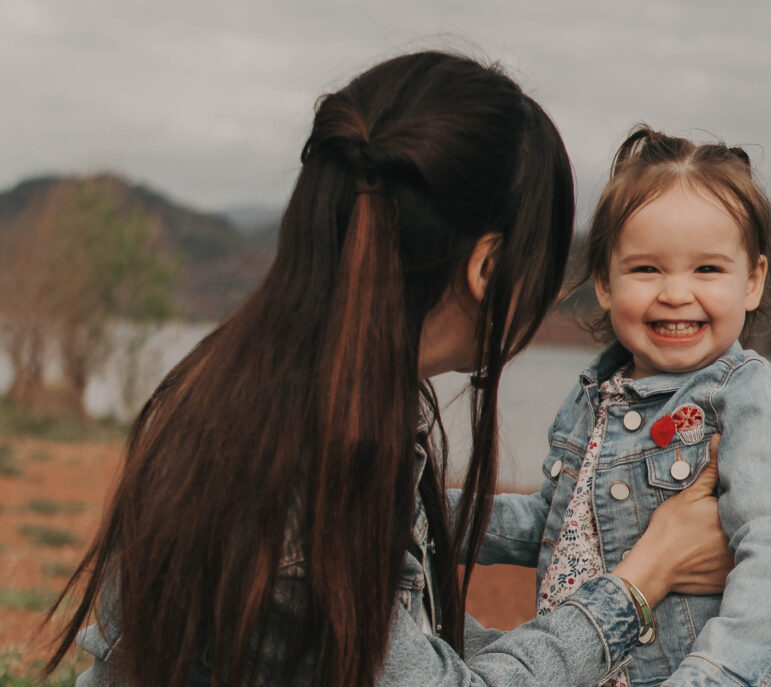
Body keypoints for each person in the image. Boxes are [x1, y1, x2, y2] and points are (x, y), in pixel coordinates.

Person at [42, 53, 733, 687]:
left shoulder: (257, 384)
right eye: (547, 261)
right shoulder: (315, 459)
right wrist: (641, 581)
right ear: (487, 268)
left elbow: (407, 648)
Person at [466, 127, 771, 687]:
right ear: (605, 282)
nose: (676, 293)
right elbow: (556, 524)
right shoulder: (596, 395)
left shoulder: (742, 396)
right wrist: (426, 516)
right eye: (646, 268)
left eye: (707, 269)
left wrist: (716, 671)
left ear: (752, 281)